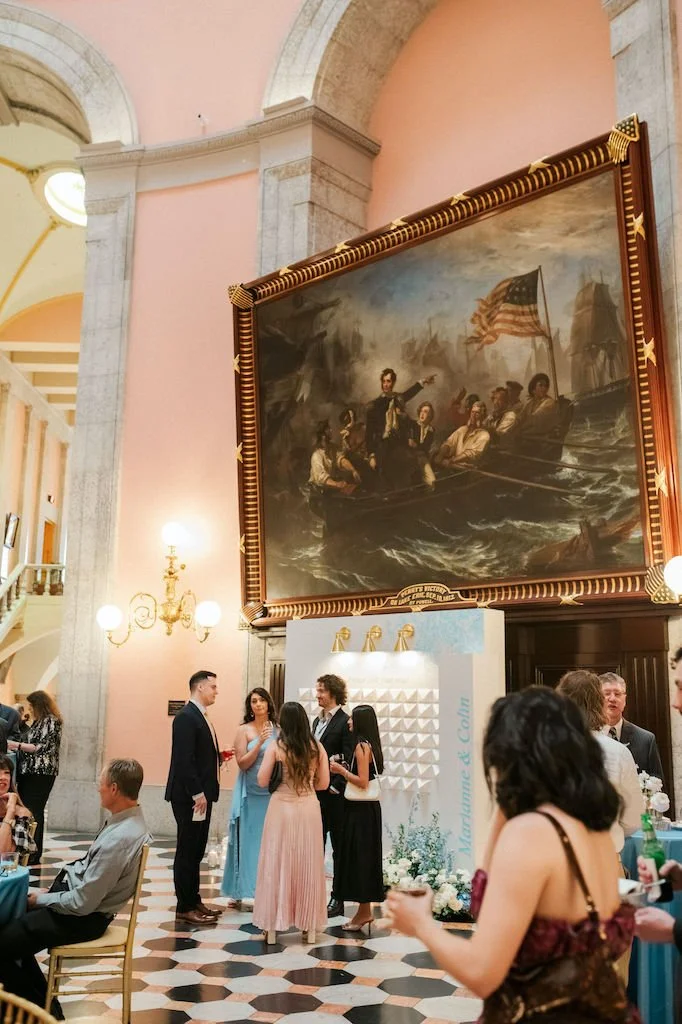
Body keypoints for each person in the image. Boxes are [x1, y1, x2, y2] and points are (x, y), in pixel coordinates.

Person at [387, 687, 641, 1023]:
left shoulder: (533, 832)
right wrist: (508, 802)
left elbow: (483, 972)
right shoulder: (592, 828)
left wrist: (421, 923)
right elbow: (491, 891)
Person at [0, 758, 151, 1016]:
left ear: (114, 788)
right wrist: (52, 894)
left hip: (82, 919)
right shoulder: (127, 821)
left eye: (101, 783)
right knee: (10, 935)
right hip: (78, 907)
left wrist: (39, 900)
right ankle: (45, 1008)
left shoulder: (120, 838)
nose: (98, 788)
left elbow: (83, 903)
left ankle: (38, 1015)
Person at [252, 701, 329, 942]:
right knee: (308, 864)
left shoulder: (277, 747)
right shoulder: (317, 748)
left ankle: (273, 926)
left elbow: (262, 780)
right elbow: (323, 784)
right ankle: (309, 927)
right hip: (308, 808)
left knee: (277, 863)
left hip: (281, 810)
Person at [556, 670, 643, 854]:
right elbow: (633, 820)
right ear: (599, 704)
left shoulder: (543, 750)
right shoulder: (618, 752)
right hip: (604, 856)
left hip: (557, 859)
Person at [165, 670, 225, 924]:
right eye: (212, 686)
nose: (216, 691)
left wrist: (218, 757)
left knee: (197, 849)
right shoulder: (186, 717)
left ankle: (194, 899)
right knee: (187, 849)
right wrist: (197, 792)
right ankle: (184, 906)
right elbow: (183, 760)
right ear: (199, 687)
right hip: (190, 797)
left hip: (201, 796)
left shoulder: (200, 716)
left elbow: (198, 755)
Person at [221, 687, 278, 905]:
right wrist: (261, 743)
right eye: (254, 701)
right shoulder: (243, 730)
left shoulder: (278, 730)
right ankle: (240, 889)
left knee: (268, 843)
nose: (258, 704)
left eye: (262, 700)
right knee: (247, 842)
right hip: (250, 795)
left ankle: (267, 887)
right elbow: (243, 763)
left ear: (268, 704)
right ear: (250, 706)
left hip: (270, 794)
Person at [331, 704, 384, 932]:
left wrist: (341, 771)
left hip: (360, 812)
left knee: (361, 859)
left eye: (352, 719)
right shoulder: (369, 745)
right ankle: (364, 912)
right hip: (367, 810)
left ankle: (363, 913)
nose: (349, 722)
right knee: (364, 859)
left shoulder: (362, 747)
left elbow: (362, 781)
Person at [313, 673, 354, 917]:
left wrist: (334, 786)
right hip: (315, 796)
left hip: (335, 797)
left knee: (338, 849)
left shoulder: (345, 721)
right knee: (316, 846)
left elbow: (348, 758)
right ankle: (314, 894)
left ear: (334, 693)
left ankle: (337, 898)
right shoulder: (316, 722)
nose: (317, 695)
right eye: (317, 690)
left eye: (321, 691)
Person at [17, 690, 63, 864]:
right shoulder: (40, 721)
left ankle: (33, 853)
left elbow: (39, 747)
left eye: (31, 705)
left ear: (39, 705)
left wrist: (18, 745)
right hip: (32, 771)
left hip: (41, 772)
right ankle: (30, 851)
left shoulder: (51, 721)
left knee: (34, 810)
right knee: (32, 810)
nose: (30, 708)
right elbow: (29, 738)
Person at [365, 367, 436, 479]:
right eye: (383, 381)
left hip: (398, 442)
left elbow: (410, 393)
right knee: (383, 471)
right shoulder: (374, 406)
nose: (385, 384)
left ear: (393, 383)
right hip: (382, 443)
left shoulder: (398, 399)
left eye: (388, 381)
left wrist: (424, 381)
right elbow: (369, 433)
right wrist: (371, 455)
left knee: (409, 462)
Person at [599, 671, 664, 780]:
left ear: (625, 699)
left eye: (617, 694)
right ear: (597, 699)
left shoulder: (646, 740)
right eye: (607, 694)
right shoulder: (588, 738)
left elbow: (658, 786)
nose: (612, 699)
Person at [0, 754, 36, 860]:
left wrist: (10, 811)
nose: (3, 777)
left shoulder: (20, 814)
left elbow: (4, 856)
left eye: (7, 773)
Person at [434, 401, 490, 466]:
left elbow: (471, 454)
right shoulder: (462, 429)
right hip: (454, 466)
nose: (473, 415)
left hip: (469, 471)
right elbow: (449, 443)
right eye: (472, 412)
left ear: (483, 416)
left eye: (477, 413)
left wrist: (451, 460)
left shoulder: (484, 435)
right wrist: (440, 455)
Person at [408, 401, 436, 487]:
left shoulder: (431, 430)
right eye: (421, 411)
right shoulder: (412, 425)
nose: (422, 414)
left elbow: (425, 448)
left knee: (432, 482)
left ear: (430, 416)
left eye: (426, 412)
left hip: (423, 458)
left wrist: (416, 446)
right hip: (410, 457)